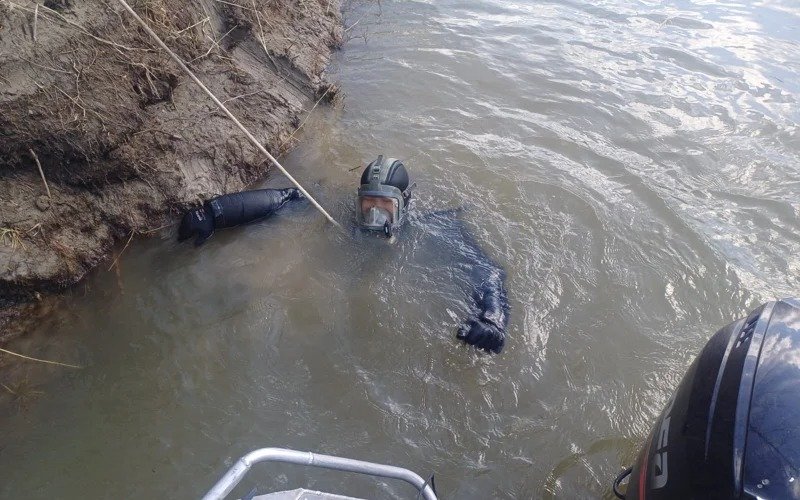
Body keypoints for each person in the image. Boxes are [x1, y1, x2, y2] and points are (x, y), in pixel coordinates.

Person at [177, 155, 509, 353]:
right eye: (368, 204)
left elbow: (487, 272)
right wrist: (216, 212)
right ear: (359, 199)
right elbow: (286, 199)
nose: (374, 215)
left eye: (385, 206)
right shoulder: (339, 211)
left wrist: (493, 319)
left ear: (404, 203)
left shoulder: (431, 225)